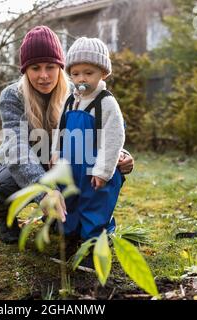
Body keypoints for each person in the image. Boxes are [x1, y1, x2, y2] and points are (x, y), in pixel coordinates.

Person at [0, 26, 134, 244]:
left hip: (58, 163)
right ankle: (4, 213)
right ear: (25, 70)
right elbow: (17, 149)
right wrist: (45, 191)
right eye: (35, 68)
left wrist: (121, 155)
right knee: (7, 183)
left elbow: (107, 129)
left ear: (60, 67)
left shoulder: (76, 93)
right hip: (14, 165)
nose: (44, 75)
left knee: (105, 167)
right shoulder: (12, 96)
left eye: (50, 67)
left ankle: (73, 218)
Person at [50, 37, 125, 246]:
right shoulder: (70, 100)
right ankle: (70, 233)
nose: (81, 79)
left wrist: (103, 170)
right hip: (70, 165)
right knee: (71, 198)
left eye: (88, 73)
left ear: (103, 73)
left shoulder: (106, 103)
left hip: (94, 166)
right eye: (75, 74)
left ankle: (94, 242)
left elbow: (114, 138)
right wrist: (56, 151)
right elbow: (61, 128)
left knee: (95, 202)